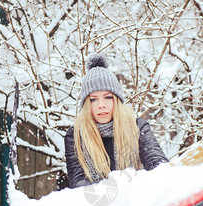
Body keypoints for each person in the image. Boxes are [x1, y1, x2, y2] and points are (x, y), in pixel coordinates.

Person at [64, 53, 168, 188]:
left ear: (117, 100)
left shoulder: (137, 127)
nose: (101, 104)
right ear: (86, 104)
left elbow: (158, 165)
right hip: (100, 205)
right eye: (93, 99)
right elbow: (79, 184)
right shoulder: (76, 136)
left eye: (108, 97)